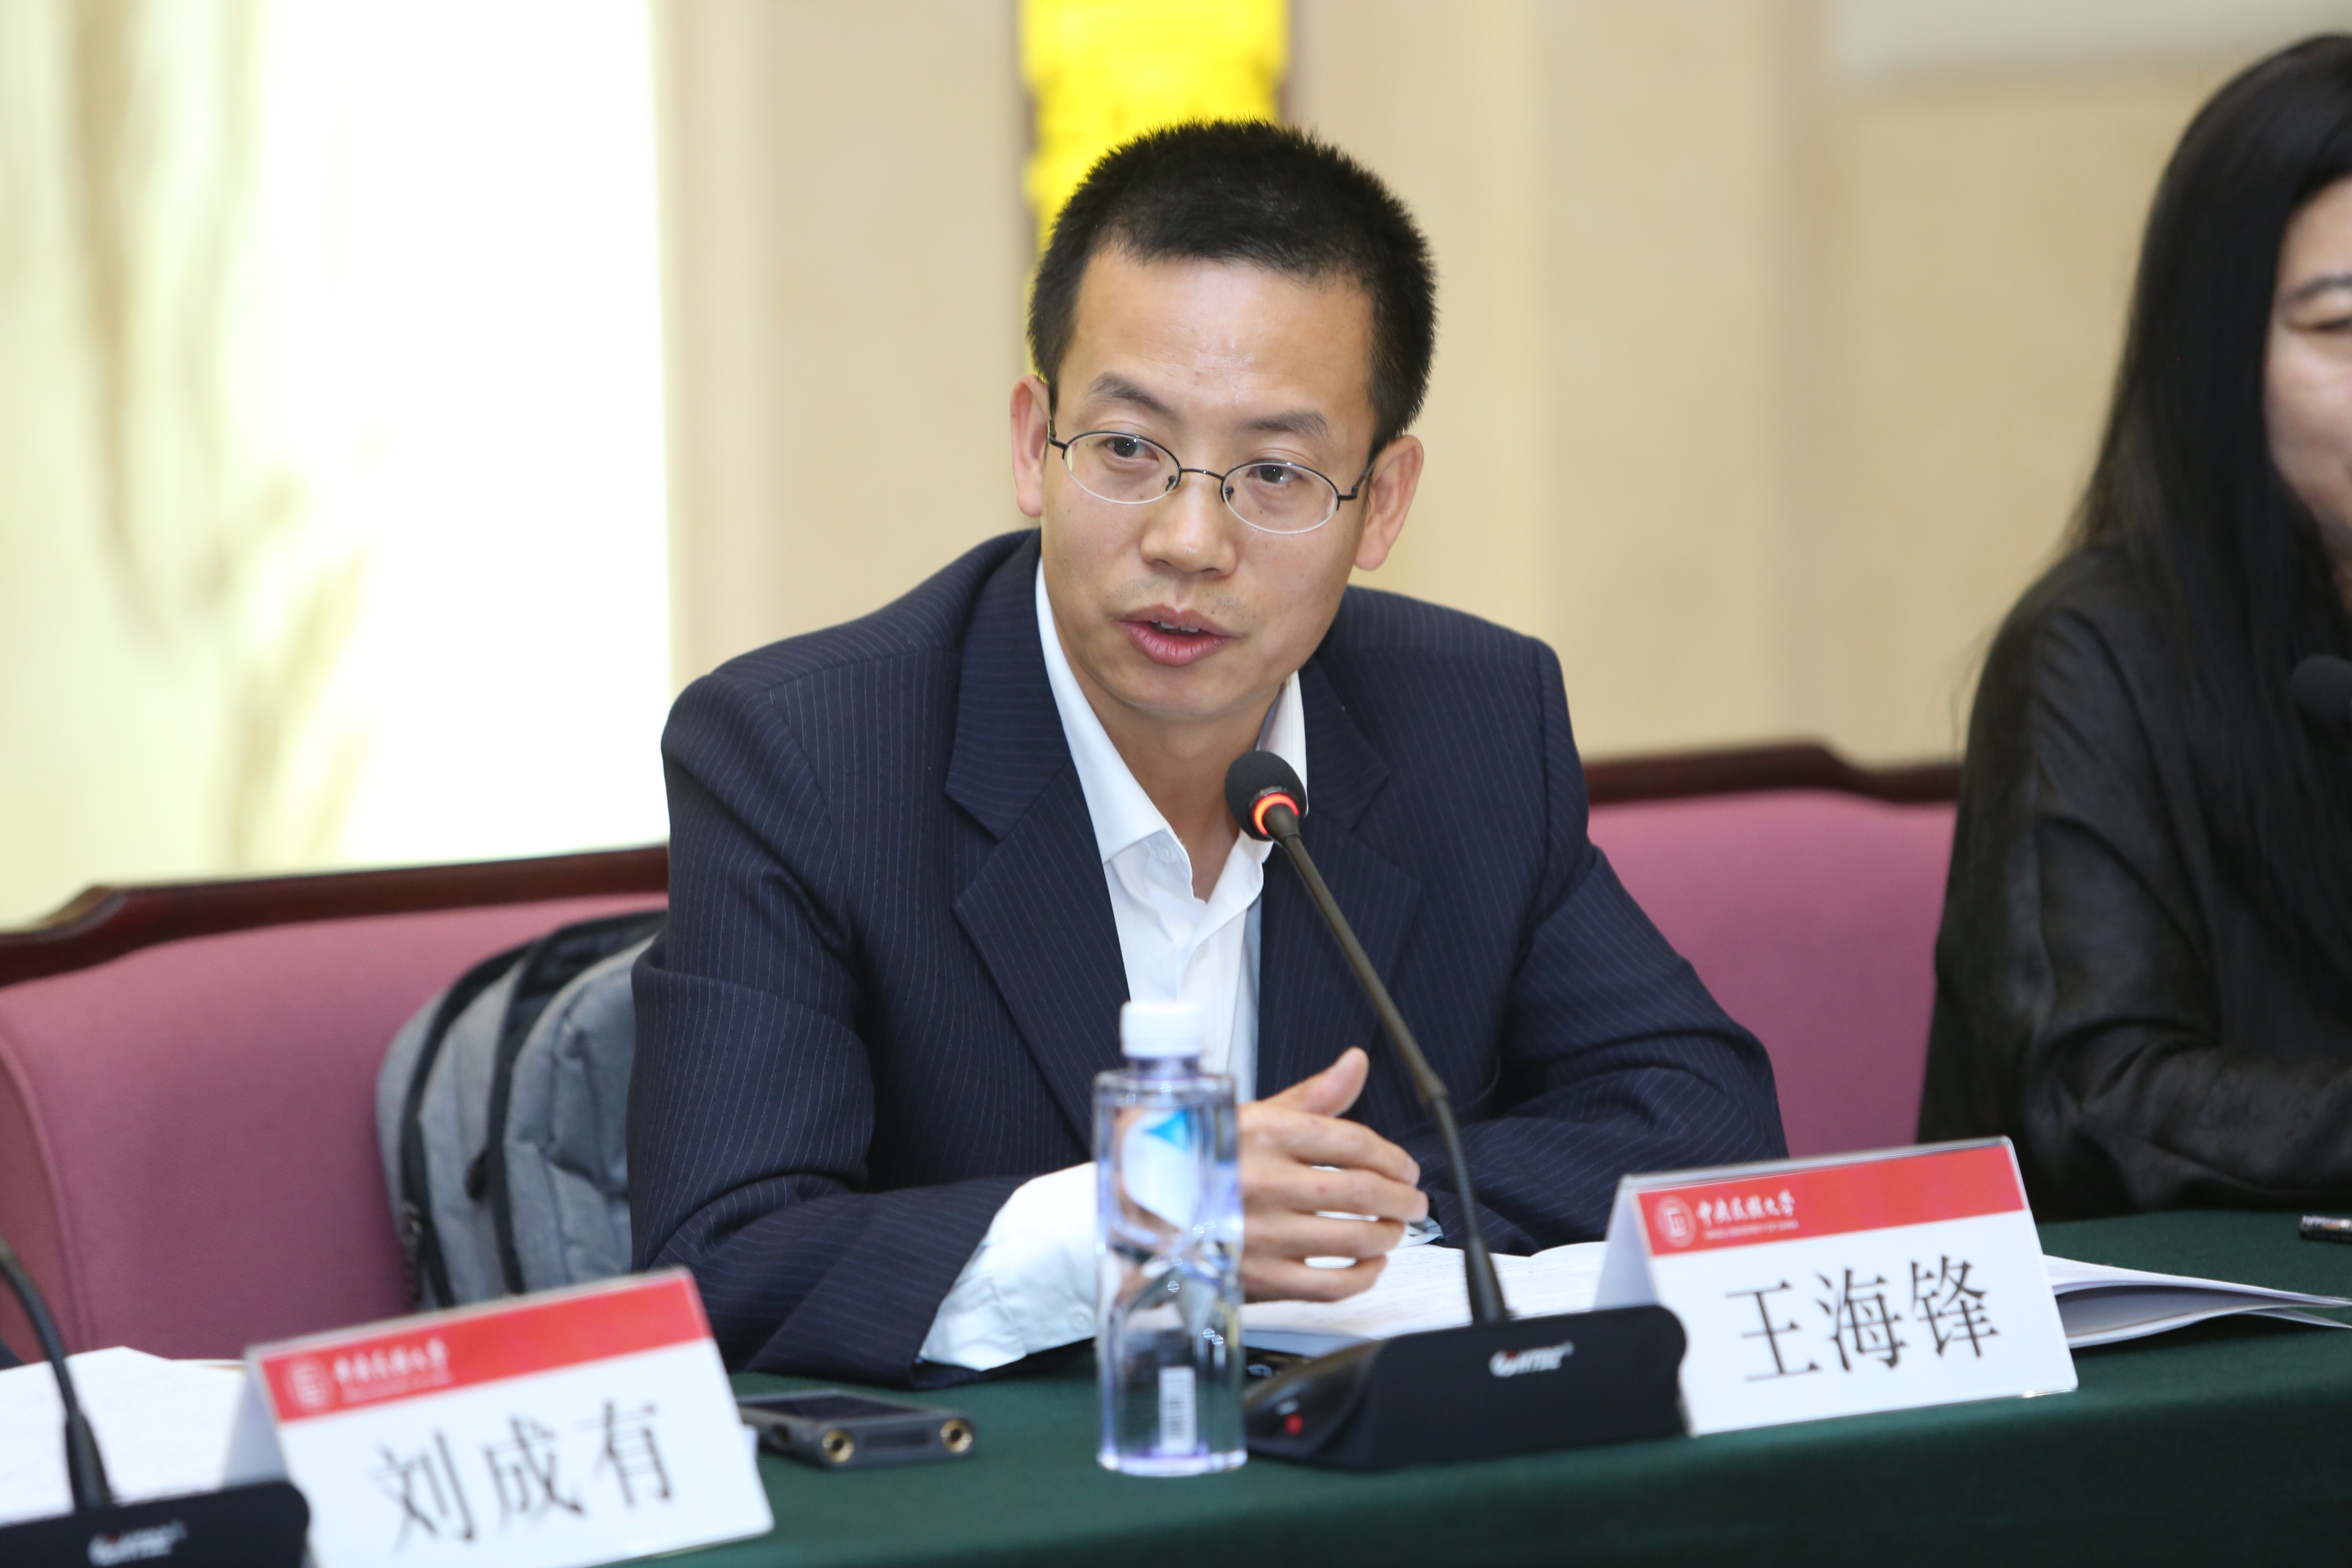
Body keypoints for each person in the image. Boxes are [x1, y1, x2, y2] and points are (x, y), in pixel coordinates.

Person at [630, 121, 1784, 1387]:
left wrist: (1326, 1211)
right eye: (1128, 449)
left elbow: (1702, 1121)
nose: (1189, 540)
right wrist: (1155, 1215)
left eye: (1277, 472)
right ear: (1033, 442)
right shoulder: (806, 756)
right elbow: (723, 1262)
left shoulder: (1472, 719)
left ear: (1383, 502)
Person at [1922, 37, 2352, 1217]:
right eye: (2341, 327)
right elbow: (2093, 1100)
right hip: (2179, 1313)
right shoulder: (2095, 653)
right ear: (2216, 357)